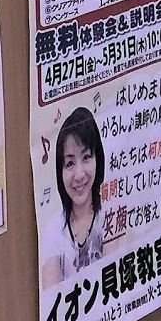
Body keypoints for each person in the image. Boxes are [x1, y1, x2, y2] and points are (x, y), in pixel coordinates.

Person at [52, 107, 105, 275]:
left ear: (98, 159)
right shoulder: (55, 229)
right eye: (69, 163)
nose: (79, 175)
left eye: (86, 157)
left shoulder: (111, 215)